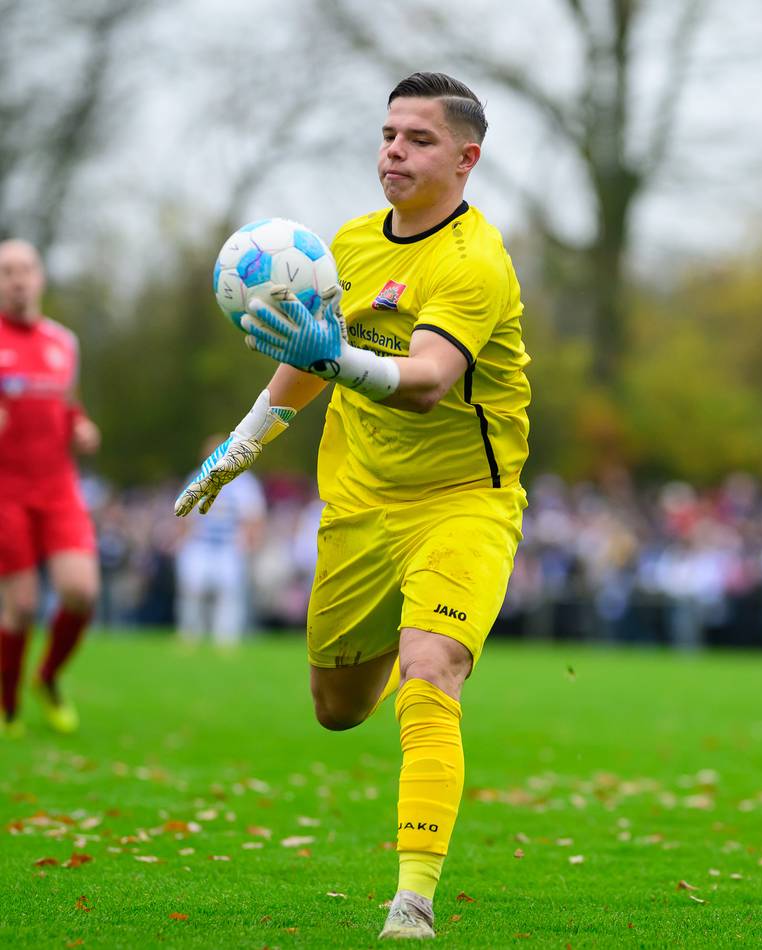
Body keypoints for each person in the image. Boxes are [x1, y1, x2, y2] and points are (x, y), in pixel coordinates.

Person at [176, 72, 530, 939]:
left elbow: (427, 384)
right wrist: (241, 446)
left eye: (416, 138)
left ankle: (413, 899)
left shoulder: (473, 263)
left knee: (430, 669)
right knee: (336, 710)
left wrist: (334, 361)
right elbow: (308, 355)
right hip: (360, 509)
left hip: (464, 504)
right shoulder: (345, 244)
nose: (392, 152)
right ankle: (387, 662)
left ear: (465, 158)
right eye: (387, 135)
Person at [0, 239, 100, 737]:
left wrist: (81, 427)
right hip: (6, 490)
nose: (18, 279)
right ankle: (8, 706)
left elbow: (69, 406)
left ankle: (47, 678)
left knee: (80, 593)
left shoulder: (64, 342)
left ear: (40, 277)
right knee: (19, 607)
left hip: (58, 486)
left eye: (26, 269)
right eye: (7, 271)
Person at [175, 434, 266, 647]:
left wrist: (250, 541)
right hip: (199, 544)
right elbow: (183, 512)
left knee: (229, 593)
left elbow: (254, 516)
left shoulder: (245, 482)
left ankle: (226, 639)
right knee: (192, 588)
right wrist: (181, 538)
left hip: (230, 546)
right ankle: (189, 634)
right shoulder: (197, 477)